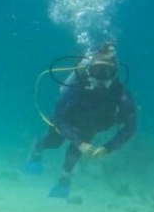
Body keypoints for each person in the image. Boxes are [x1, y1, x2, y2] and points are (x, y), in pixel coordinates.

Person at [24, 42, 138, 198]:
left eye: (108, 72)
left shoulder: (120, 93)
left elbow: (131, 127)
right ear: (90, 70)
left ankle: (64, 181)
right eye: (98, 71)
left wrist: (108, 147)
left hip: (90, 125)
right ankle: (37, 150)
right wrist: (79, 142)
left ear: (116, 73)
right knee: (54, 142)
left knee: (75, 153)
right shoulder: (78, 85)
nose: (102, 78)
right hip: (66, 120)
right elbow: (57, 116)